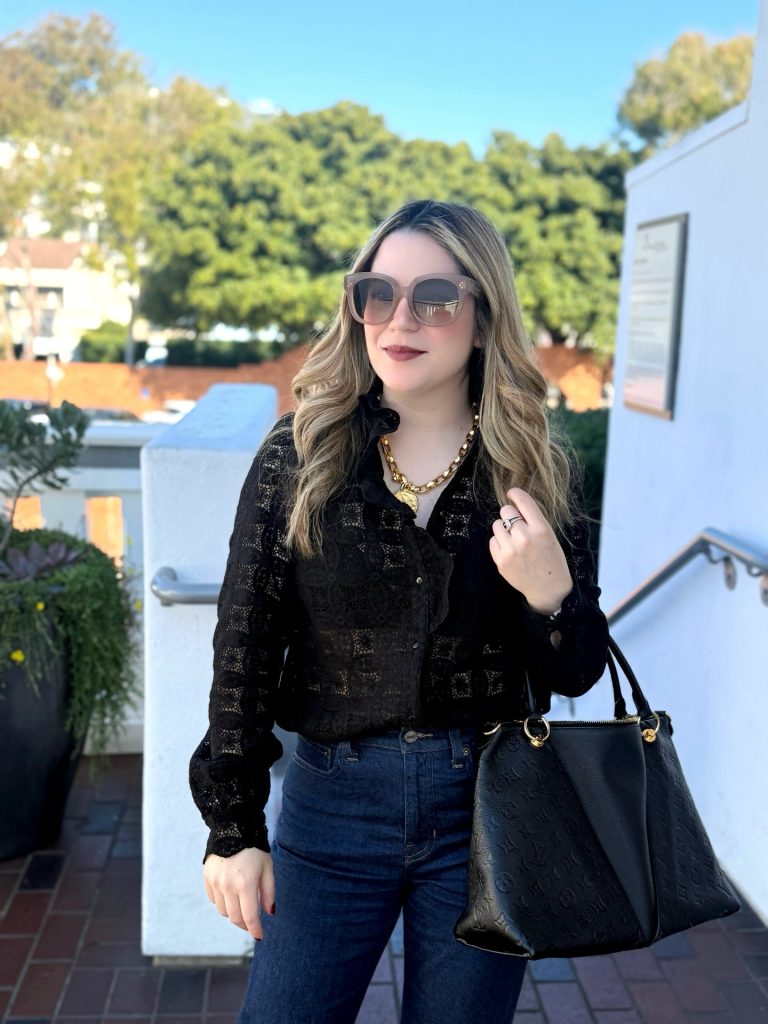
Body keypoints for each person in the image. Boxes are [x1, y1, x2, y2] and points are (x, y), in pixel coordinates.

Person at [189, 198, 610, 1024]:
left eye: (435, 298)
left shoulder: (538, 468)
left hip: (487, 815)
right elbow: (244, 641)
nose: (399, 318)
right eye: (376, 293)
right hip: (329, 807)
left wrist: (548, 593)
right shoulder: (302, 452)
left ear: (483, 319)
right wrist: (232, 825)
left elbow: (577, 670)